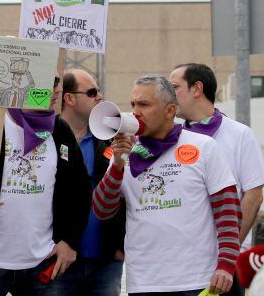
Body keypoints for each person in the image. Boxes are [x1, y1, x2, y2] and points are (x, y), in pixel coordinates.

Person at [92, 75, 241, 296]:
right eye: (133, 104)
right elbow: (102, 210)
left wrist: (226, 265)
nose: (135, 112)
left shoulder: (203, 146)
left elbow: (227, 209)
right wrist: (117, 165)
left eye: (144, 104)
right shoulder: (124, 152)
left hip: (197, 280)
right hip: (145, 282)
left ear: (170, 110)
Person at [0, 73, 91, 296]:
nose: (58, 90)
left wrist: (70, 242)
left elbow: (80, 190)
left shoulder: (59, 130)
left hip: (42, 260)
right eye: (50, 82)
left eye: (58, 82)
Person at [170, 63, 264, 296]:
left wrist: (228, 253)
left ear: (197, 89)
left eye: (174, 87)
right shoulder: (172, 138)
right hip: (182, 266)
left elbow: (253, 196)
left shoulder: (239, 134)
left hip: (223, 268)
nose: (167, 94)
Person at [53, 69, 124, 296]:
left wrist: (120, 245)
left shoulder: (110, 140)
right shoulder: (46, 140)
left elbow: (128, 192)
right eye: (92, 92)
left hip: (105, 260)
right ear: (69, 98)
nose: (100, 97)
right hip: (58, 257)